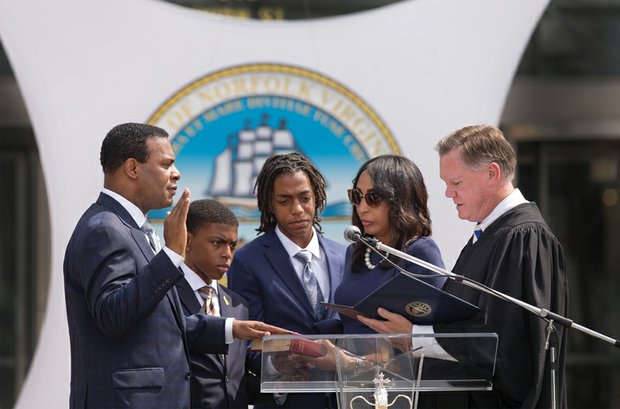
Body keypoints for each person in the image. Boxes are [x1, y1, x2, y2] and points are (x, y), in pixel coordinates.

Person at [63, 122, 288, 409]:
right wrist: (171, 253)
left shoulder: (133, 228)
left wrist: (232, 329)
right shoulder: (105, 229)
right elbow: (114, 316)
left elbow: (159, 325)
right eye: (166, 164)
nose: (176, 173)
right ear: (132, 168)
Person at [359, 125, 568, 408]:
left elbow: (502, 341)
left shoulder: (522, 237)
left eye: (455, 183)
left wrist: (415, 335)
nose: (448, 194)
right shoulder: (489, 234)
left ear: (492, 174)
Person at [227, 151, 346, 409]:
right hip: (285, 401)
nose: (297, 210)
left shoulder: (346, 256)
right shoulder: (247, 261)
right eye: (284, 200)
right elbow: (244, 341)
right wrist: (275, 363)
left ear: (318, 197)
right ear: (270, 204)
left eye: (305, 198)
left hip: (344, 400)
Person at [335, 154, 446, 340]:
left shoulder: (420, 252)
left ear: (400, 200)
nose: (361, 208)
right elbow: (351, 325)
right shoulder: (355, 251)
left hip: (398, 367)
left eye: (373, 197)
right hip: (350, 366)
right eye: (356, 196)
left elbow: (438, 331)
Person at [174, 199, 253, 409]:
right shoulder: (164, 296)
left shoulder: (238, 305)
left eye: (233, 245)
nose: (227, 253)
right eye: (217, 243)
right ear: (187, 241)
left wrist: (279, 366)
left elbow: (235, 377)